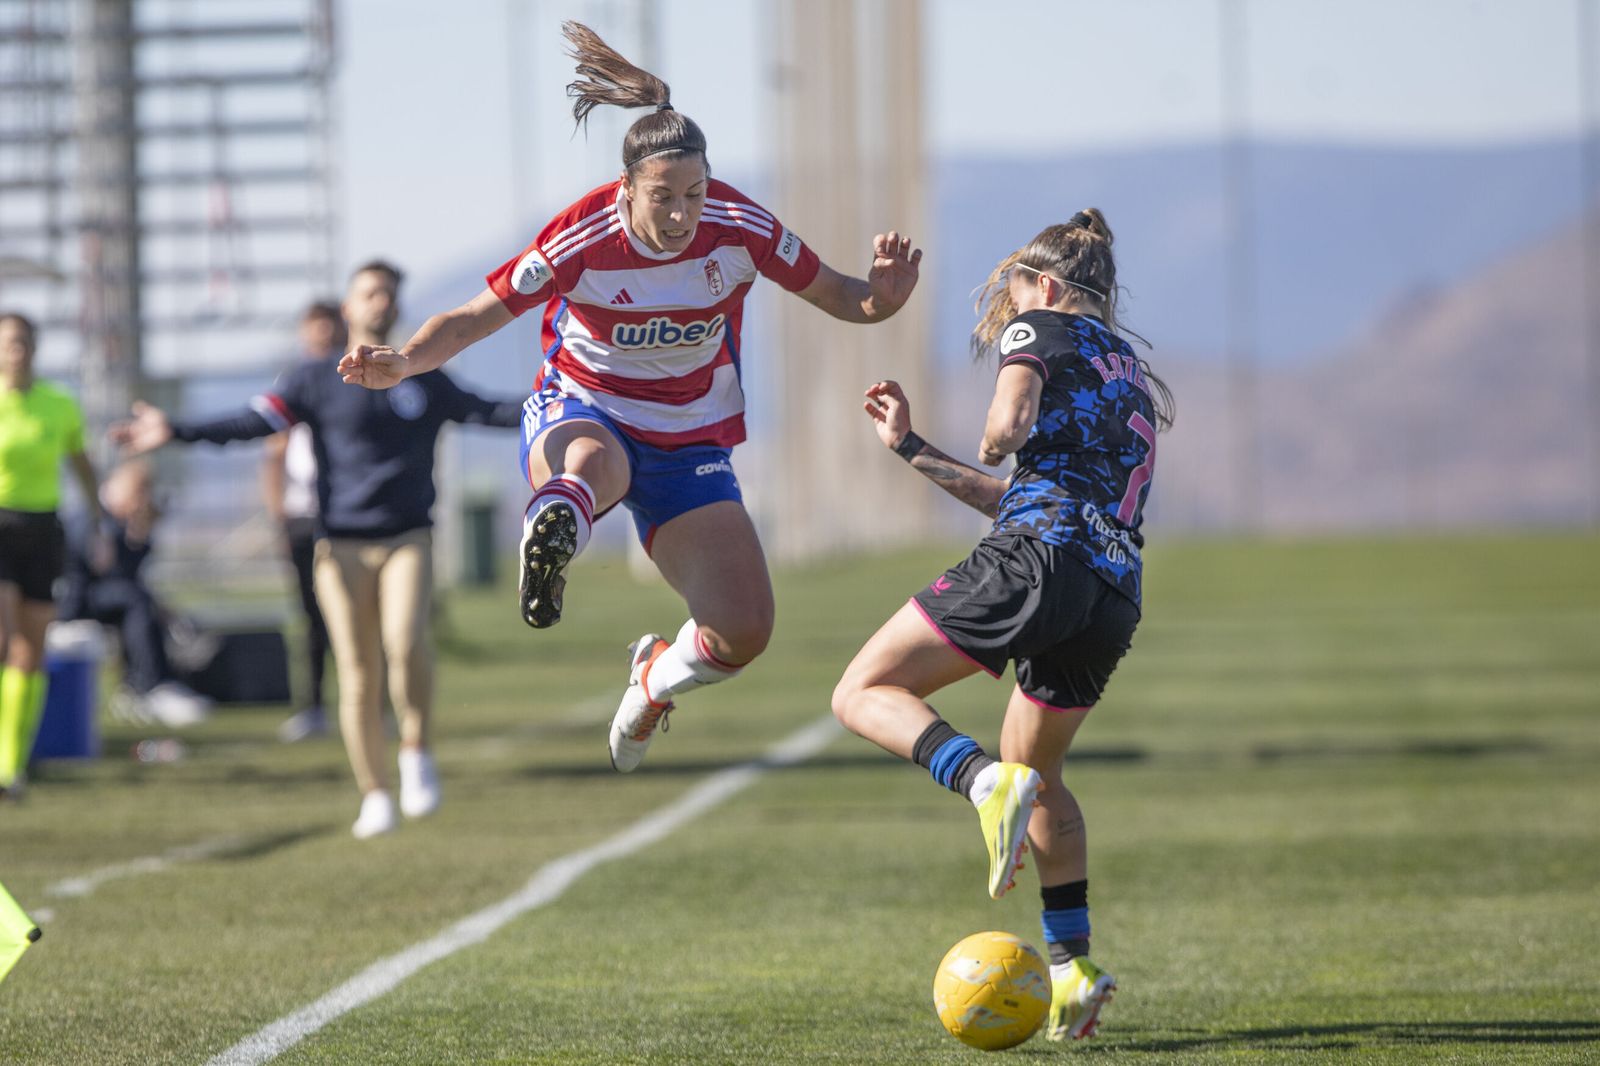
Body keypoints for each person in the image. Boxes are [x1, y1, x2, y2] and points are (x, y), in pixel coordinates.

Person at [338, 21, 923, 773]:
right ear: (626, 189)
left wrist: (881, 299)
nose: (681, 215)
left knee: (745, 629)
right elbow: (474, 317)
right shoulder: (580, 236)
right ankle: (555, 528)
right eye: (662, 198)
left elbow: (840, 295)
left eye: (694, 194)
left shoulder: (739, 226)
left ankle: (653, 680)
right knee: (589, 464)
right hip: (587, 408)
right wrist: (405, 362)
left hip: (690, 437)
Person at [830, 211, 1174, 1042]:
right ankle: (1072, 969)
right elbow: (1026, 493)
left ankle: (980, 781)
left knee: (862, 690)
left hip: (1042, 559)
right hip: (1111, 587)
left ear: (1046, 287)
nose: (1010, 316)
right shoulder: (1126, 368)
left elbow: (1008, 435)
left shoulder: (1040, 325)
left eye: (1015, 298)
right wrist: (910, 446)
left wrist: (995, 433)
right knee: (1042, 773)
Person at [110, 262, 524, 838]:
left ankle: (415, 751)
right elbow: (251, 423)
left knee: (405, 643)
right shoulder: (315, 378)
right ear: (348, 308)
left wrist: (570, 402)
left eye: (389, 293)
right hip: (340, 544)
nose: (381, 301)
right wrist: (177, 430)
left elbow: (489, 410)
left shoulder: (424, 376)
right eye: (370, 292)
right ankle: (374, 793)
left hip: (407, 537)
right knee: (357, 670)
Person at [0, 313, 106, 799]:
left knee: (30, 650)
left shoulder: (59, 403)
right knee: (3, 638)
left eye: (23, 341)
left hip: (43, 529)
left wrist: (99, 521)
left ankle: (12, 764)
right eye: (8, 342)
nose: (16, 351)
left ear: (35, 347)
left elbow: (81, 464)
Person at [57, 458, 212, 728]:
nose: (142, 500)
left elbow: (129, 575)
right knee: (136, 600)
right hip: (73, 602)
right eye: (139, 491)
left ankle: (147, 683)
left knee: (143, 603)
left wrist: (140, 535)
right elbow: (103, 571)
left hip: (101, 597)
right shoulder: (93, 519)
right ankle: (148, 686)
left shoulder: (118, 524)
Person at [261, 301, 344, 743]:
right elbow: (274, 451)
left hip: (347, 511)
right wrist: (278, 512)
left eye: (329, 330)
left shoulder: (355, 374)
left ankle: (370, 702)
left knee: (357, 613)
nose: (323, 338)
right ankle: (312, 707)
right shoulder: (293, 384)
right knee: (311, 615)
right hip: (303, 515)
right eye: (316, 330)